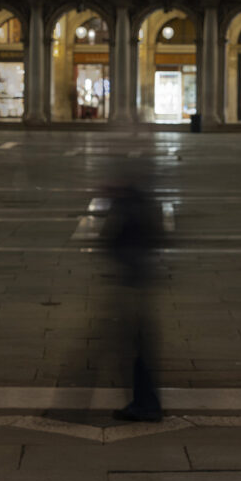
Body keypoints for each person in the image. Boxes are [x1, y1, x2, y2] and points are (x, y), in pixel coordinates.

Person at [101, 176, 164, 422]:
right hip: (136, 284)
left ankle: (146, 405)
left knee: (138, 350)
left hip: (134, 287)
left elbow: (118, 243)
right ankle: (144, 403)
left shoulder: (131, 206)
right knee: (136, 349)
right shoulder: (134, 201)